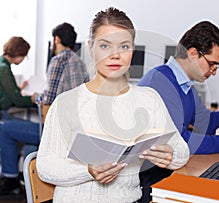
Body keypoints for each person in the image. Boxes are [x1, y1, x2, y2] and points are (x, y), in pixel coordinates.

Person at [36, 7, 190, 203]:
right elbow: (45, 167)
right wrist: (87, 171)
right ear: (91, 47)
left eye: (124, 46)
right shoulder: (66, 102)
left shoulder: (148, 99)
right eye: (105, 46)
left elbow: (182, 151)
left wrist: (171, 156)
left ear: (132, 50)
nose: (115, 55)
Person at [137, 21, 219, 202]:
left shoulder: (185, 85)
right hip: (147, 180)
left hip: (165, 170)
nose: (214, 71)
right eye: (212, 64)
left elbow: (205, 123)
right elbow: (179, 141)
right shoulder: (161, 81)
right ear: (193, 54)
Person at [0, 23, 90, 198]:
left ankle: (13, 181)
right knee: (30, 143)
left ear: (56, 40)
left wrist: (37, 97)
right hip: (76, 129)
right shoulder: (81, 63)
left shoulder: (58, 61)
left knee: (5, 129)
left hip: (56, 131)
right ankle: (30, 186)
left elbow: (49, 97)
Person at [0, 36, 36, 137]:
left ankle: (26, 153)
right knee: (35, 130)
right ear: (18, 54)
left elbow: (4, 94)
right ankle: (28, 153)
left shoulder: (0, 66)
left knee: (31, 128)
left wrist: (19, 89)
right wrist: (33, 99)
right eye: (24, 56)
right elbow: (17, 100)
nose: (23, 59)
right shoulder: (4, 70)